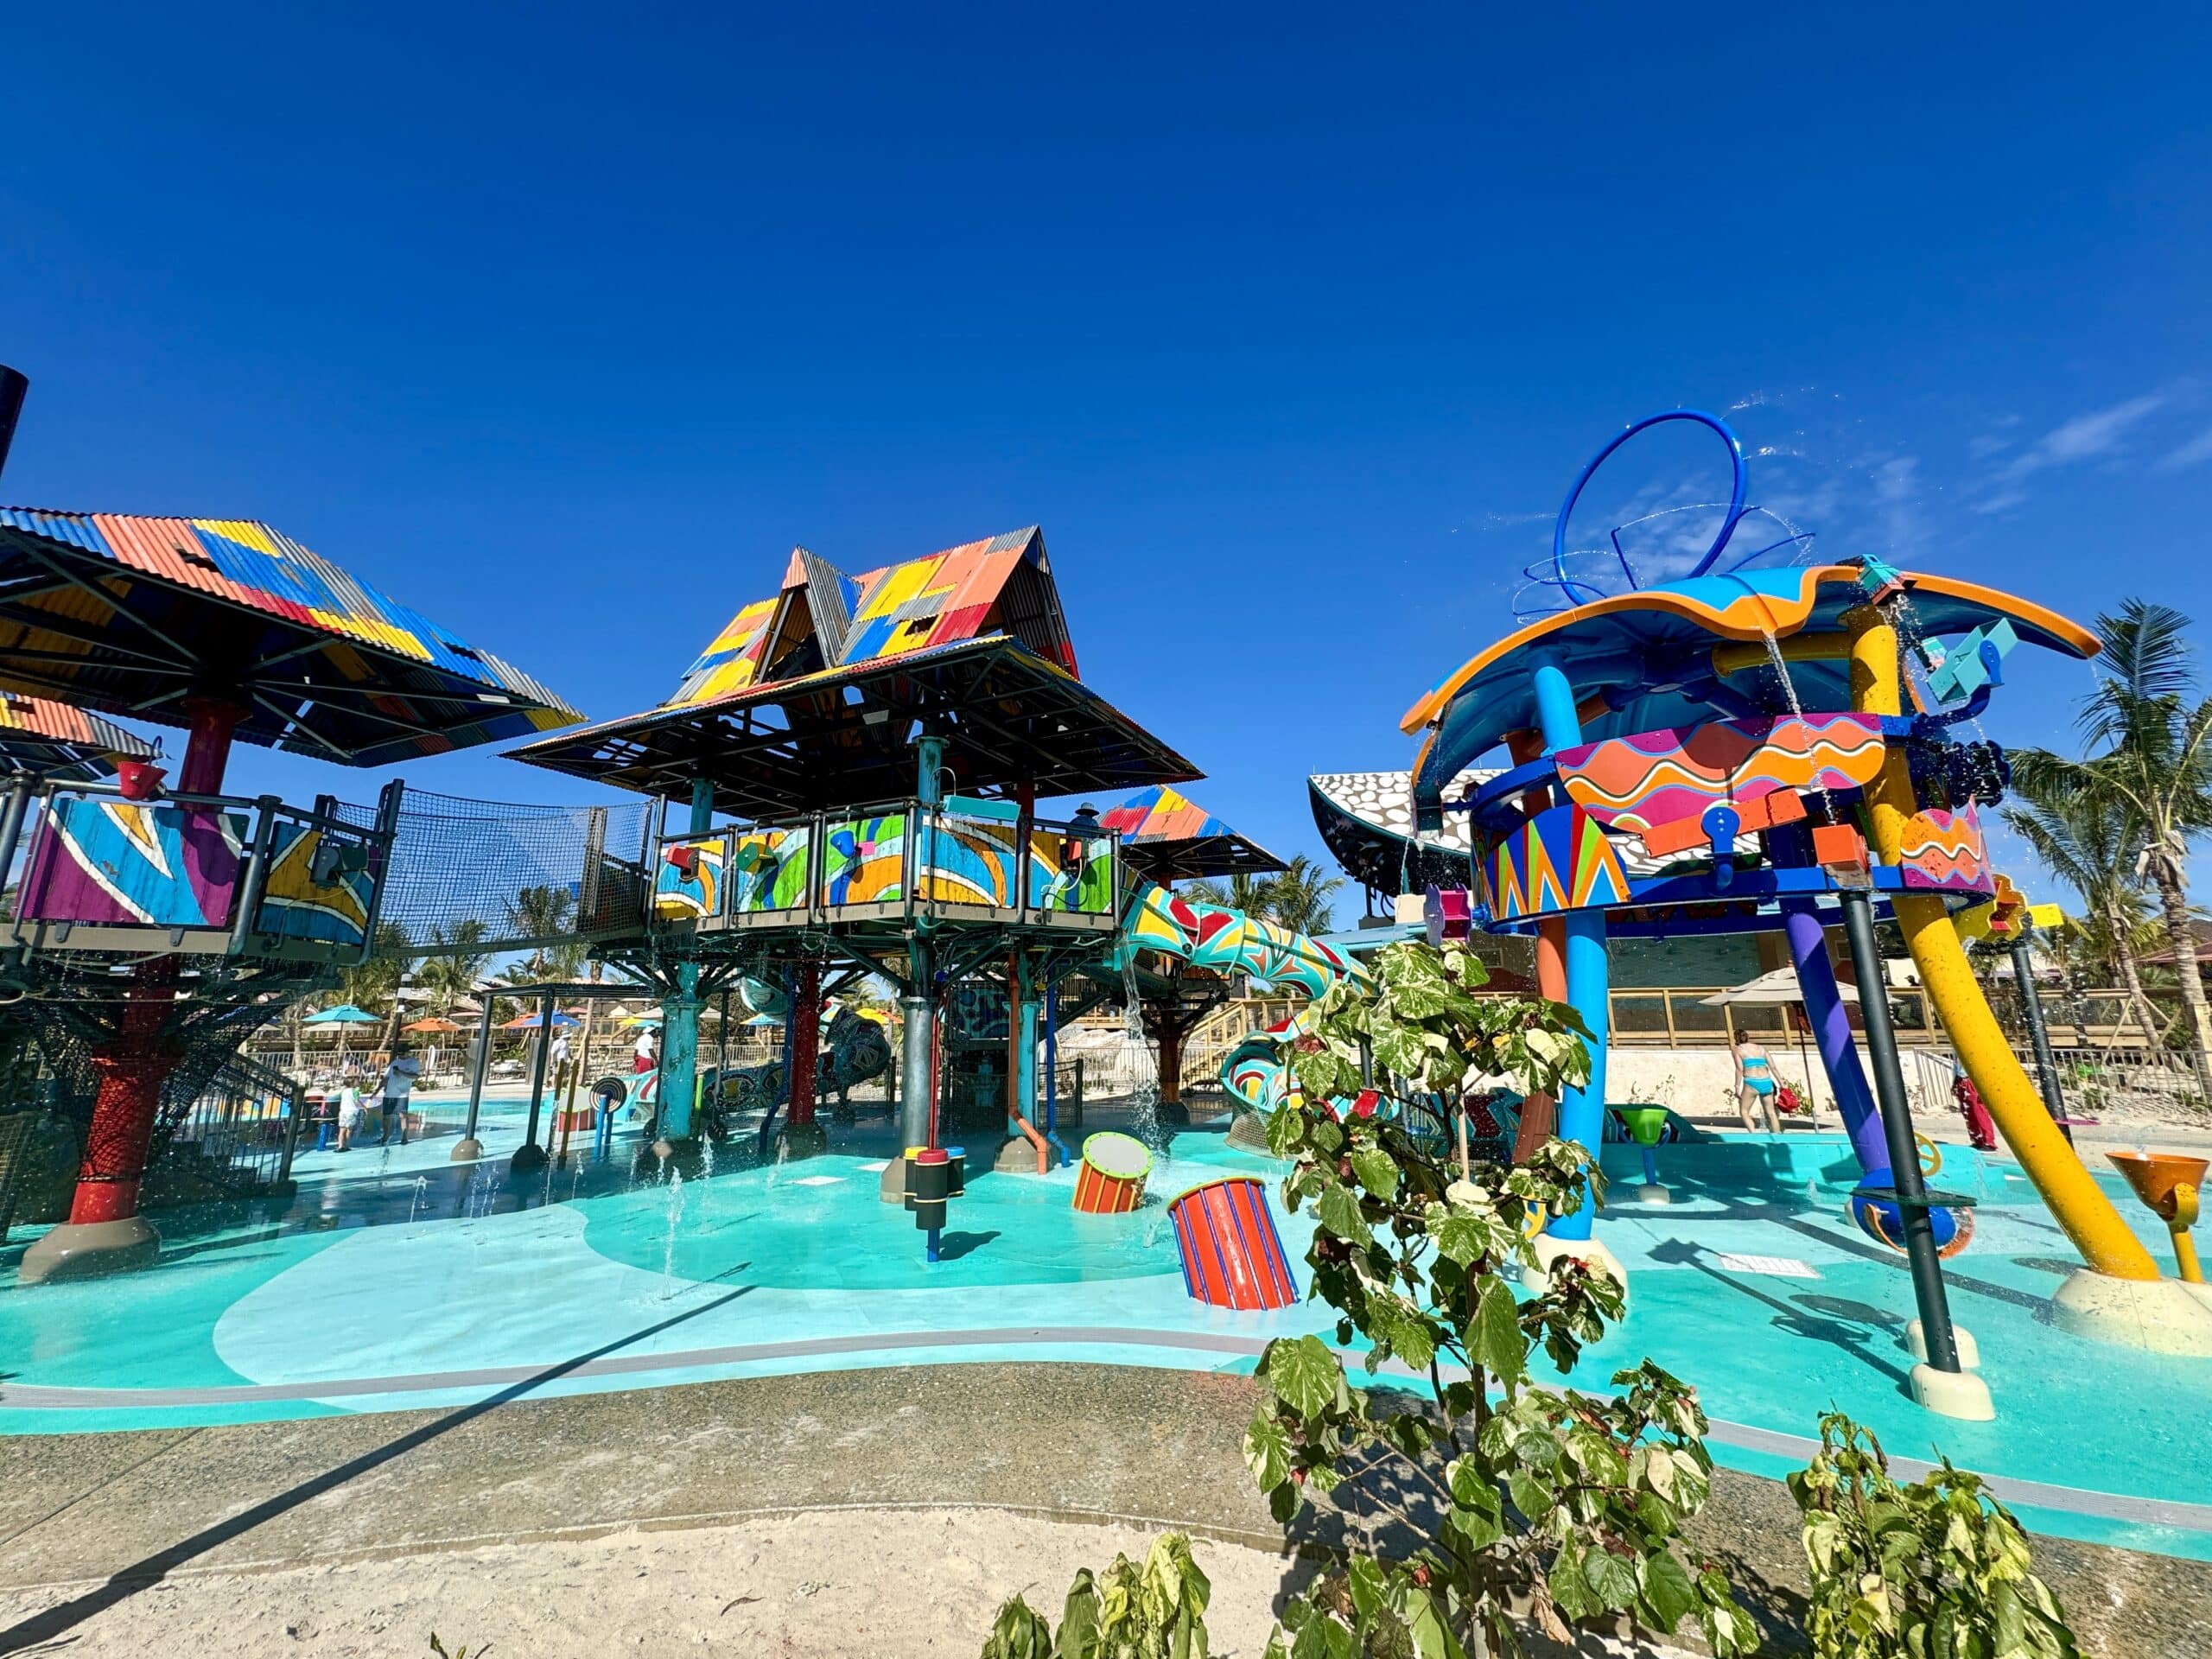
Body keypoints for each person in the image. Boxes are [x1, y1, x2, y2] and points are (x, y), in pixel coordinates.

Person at [1732, 1036, 1781, 1134]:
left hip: (1752, 1082)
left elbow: (1739, 1069)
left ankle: (1754, 1135)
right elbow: (1773, 1067)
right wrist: (1782, 1083)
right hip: (1766, 1081)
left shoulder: (1737, 1049)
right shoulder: (1762, 1049)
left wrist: (1737, 1087)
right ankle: (1778, 1139)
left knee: (1744, 1112)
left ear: (1736, 1039)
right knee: (1771, 1113)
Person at [379, 1045, 422, 1146]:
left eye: (402, 1054)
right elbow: (386, 1077)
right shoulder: (395, 1062)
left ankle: (404, 1137)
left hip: (402, 1094)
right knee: (386, 1116)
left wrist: (401, 1073)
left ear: (408, 1052)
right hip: (389, 1093)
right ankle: (385, 1136)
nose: (400, 1056)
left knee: (403, 1116)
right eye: (399, 1054)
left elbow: (415, 1076)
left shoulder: (413, 1063)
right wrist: (378, 1089)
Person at [334, 1080, 364, 1152]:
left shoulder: (343, 1091)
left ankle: (340, 1146)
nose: (358, 1083)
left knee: (342, 1130)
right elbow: (356, 1101)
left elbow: (337, 1097)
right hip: (351, 1112)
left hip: (343, 1112)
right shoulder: (355, 1091)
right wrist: (364, 1107)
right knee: (349, 1130)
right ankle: (346, 1145)